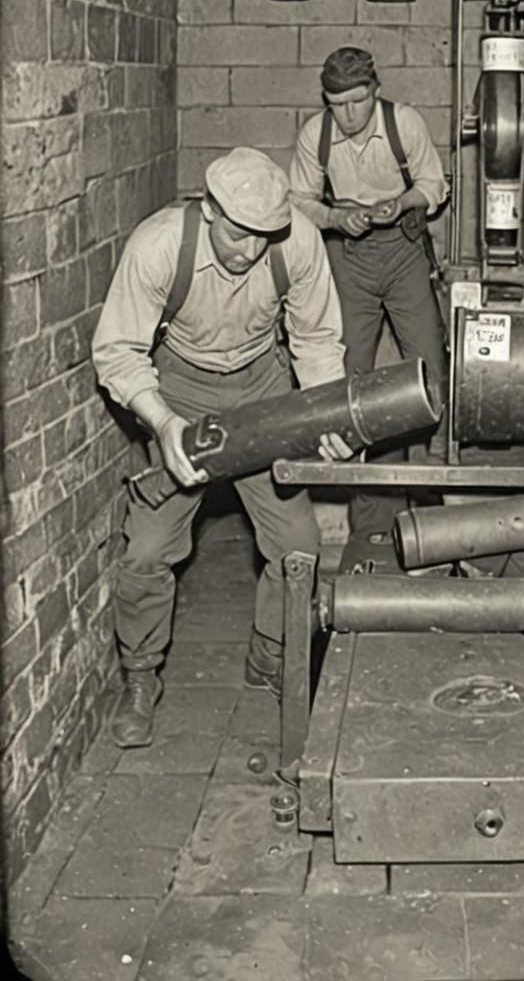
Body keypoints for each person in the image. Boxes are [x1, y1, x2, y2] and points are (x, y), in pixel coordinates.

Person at [92, 147, 352, 748]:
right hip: (180, 385)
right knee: (148, 550)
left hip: (262, 385)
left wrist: (326, 414)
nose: (249, 251)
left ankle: (272, 653)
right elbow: (118, 350)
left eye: (264, 236)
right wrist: (163, 424)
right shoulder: (159, 246)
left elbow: (316, 339)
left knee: (298, 546)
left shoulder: (299, 243)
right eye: (238, 234)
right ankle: (141, 676)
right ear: (208, 210)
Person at [290, 46, 448, 539]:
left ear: (375, 92)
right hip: (348, 257)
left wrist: (401, 204)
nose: (349, 115)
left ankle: (429, 498)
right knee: (349, 374)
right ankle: (367, 511)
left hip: (403, 250)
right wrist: (338, 217)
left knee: (426, 366)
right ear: (327, 100)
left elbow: (434, 185)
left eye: (358, 101)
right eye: (338, 104)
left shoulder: (405, 124)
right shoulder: (315, 135)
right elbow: (299, 200)